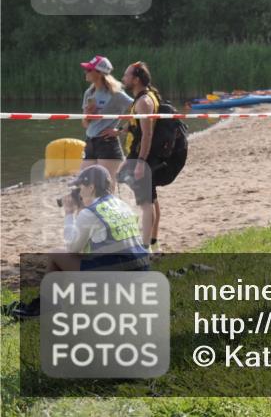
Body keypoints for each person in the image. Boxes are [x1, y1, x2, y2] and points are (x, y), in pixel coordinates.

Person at [6, 165, 149, 319]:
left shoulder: (90, 212)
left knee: (56, 254)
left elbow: (72, 248)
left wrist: (69, 214)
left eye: (81, 187)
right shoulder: (122, 205)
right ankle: (50, 304)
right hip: (140, 273)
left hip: (117, 280)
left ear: (91, 187)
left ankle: (41, 308)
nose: (79, 192)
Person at [118, 62, 186, 251]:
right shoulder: (144, 97)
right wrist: (119, 131)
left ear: (136, 79)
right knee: (151, 197)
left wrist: (140, 162)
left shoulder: (144, 101)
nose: (123, 78)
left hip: (143, 155)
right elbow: (137, 126)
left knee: (146, 202)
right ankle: (153, 240)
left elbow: (147, 134)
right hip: (142, 154)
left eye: (126, 75)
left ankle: (145, 246)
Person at [79, 55, 132, 193]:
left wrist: (120, 130)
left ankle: (110, 213)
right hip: (90, 142)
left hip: (107, 143)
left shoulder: (116, 94)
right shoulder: (89, 93)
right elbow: (85, 124)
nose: (86, 72)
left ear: (100, 73)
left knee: (106, 188)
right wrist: (88, 116)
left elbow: (139, 111)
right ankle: (92, 214)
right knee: (85, 185)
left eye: (89, 70)